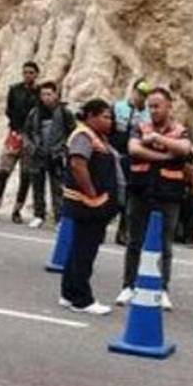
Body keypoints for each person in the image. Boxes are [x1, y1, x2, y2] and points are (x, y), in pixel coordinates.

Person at [117, 87, 192, 311]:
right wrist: (164, 156)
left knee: (165, 244)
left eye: (157, 106)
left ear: (169, 106)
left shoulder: (180, 130)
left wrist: (157, 139)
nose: (153, 110)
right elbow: (134, 149)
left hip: (169, 194)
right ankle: (129, 286)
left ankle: (162, 289)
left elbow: (184, 149)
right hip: (140, 190)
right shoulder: (141, 127)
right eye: (150, 106)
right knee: (134, 241)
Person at [58, 99, 123, 315]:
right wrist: (92, 193)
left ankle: (69, 293)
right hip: (88, 203)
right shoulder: (83, 136)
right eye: (105, 117)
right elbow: (78, 164)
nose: (110, 121)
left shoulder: (99, 138)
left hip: (93, 202)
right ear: (91, 116)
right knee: (85, 251)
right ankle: (81, 299)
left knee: (80, 249)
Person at [0, 61, 40, 223]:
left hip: (31, 137)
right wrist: (16, 125)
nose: (28, 75)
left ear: (36, 75)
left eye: (31, 72)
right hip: (14, 134)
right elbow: (9, 109)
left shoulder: (39, 92)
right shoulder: (15, 90)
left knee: (25, 175)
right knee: (3, 172)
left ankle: (17, 210)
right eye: (25, 72)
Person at [22, 81, 74, 228]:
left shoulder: (64, 113)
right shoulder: (34, 113)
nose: (46, 97)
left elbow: (73, 133)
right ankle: (39, 215)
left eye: (49, 94)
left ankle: (59, 218)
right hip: (38, 154)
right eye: (43, 94)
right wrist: (31, 147)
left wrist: (64, 149)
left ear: (56, 95)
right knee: (37, 186)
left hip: (56, 155)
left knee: (57, 188)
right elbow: (26, 133)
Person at [110, 78, 152, 245]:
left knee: (128, 196)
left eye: (145, 95)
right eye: (139, 93)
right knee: (110, 191)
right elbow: (109, 129)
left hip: (133, 159)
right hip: (115, 154)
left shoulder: (147, 116)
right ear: (133, 91)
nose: (141, 97)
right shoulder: (118, 107)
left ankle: (123, 231)